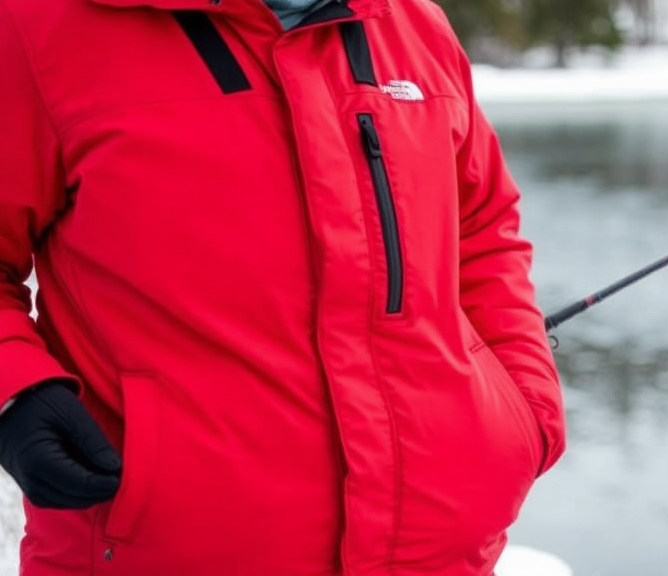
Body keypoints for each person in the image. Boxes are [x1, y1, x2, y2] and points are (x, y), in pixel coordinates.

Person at [0, 0, 566, 574]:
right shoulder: (38, 27)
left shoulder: (414, 25)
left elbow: (484, 232)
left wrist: (527, 404)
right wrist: (16, 394)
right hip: (159, 552)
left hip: (436, 550)